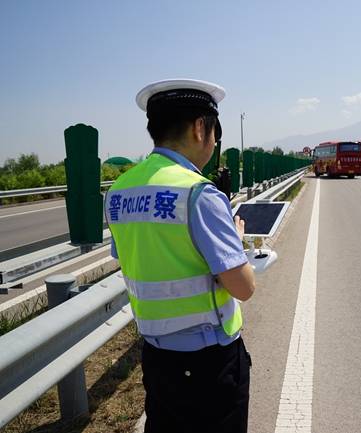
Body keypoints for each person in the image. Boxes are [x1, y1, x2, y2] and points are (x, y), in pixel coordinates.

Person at [105, 79, 256, 433]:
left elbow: (135, 253)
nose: (215, 143)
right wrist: (235, 239)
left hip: (157, 358)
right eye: (215, 132)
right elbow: (243, 287)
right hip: (210, 363)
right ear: (201, 127)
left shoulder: (119, 191)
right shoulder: (199, 194)